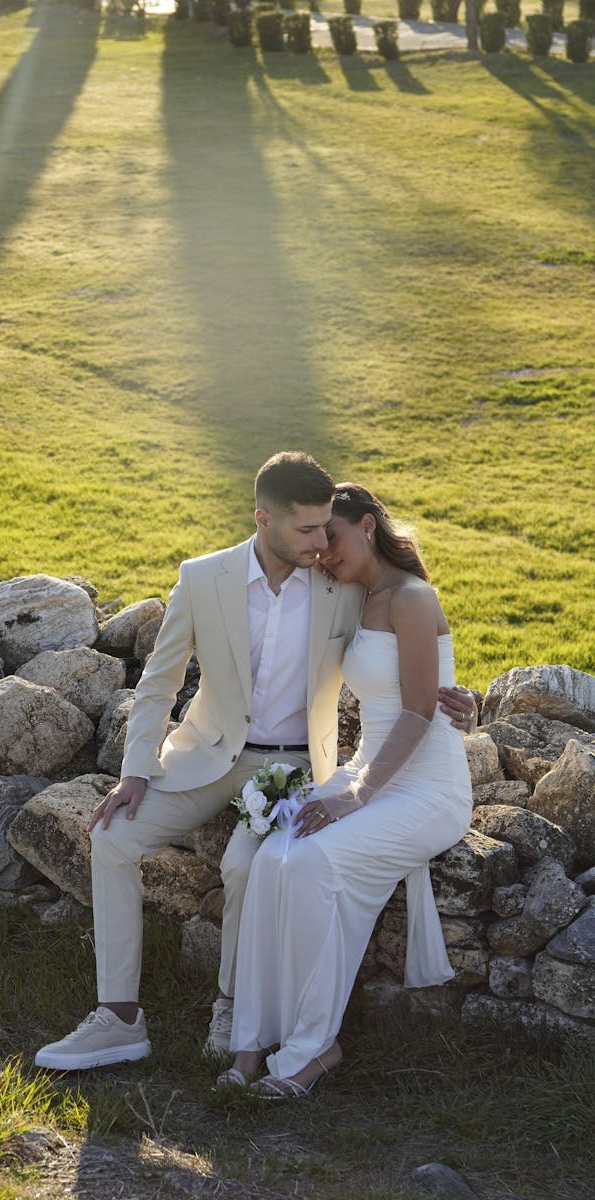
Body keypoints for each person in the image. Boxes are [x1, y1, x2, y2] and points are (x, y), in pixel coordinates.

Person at [34, 457, 475, 1071]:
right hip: (205, 759)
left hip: (295, 767)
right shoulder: (203, 578)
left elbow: (408, 649)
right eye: (307, 531)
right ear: (264, 519)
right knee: (111, 835)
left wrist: (455, 693)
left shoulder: (342, 584)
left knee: (247, 863)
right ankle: (118, 1017)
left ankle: (232, 1003)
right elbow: (158, 684)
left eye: (328, 530)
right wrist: (136, 770)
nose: (321, 544)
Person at [220, 484, 474, 1100]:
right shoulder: (355, 597)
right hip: (371, 771)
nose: (320, 553)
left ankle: (314, 1049)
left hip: (426, 788)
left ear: (366, 526)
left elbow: (418, 712)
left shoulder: (412, 597)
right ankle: (252, 1039)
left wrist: (354, 796)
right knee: (271, 859)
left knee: (312, 862)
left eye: (329, 536)